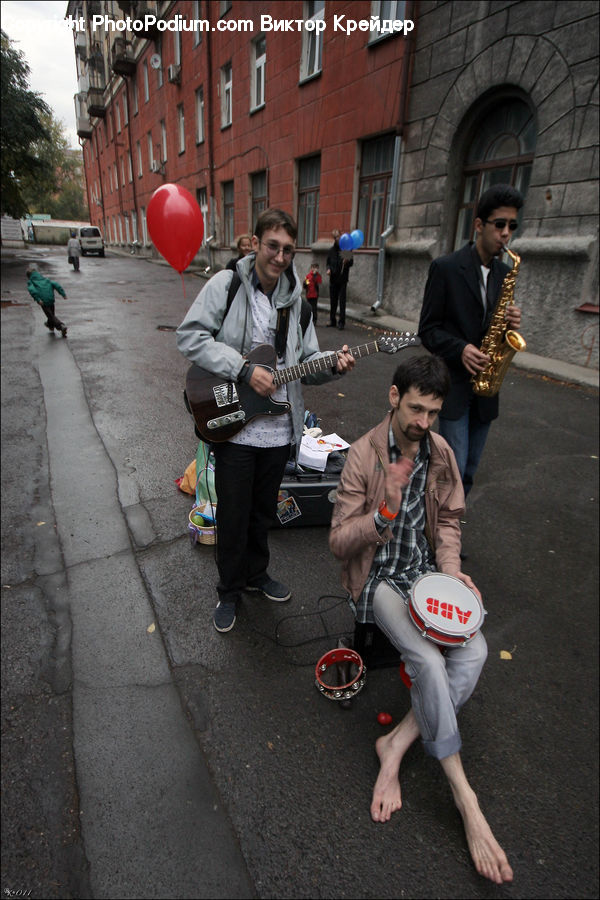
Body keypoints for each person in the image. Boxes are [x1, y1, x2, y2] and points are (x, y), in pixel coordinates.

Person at [329, 354, 513, 886]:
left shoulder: (439, 450)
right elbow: (338, 542)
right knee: (430, 663)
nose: (424, 422)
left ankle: (398, 744)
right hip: (380, 581)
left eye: (433, 411)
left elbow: (451, 517)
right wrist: (383, 513)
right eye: (415, 409)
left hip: (426, 574)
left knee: (475, 650)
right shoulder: (363, 456)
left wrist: (453, 575)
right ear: (393, 397)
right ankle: (465, 797)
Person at [177, 208, 355, 633]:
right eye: (272, 246)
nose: (279, 256)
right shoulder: (228, 285)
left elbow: (307, 362)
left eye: (288, 250)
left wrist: (333, 365)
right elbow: (191, 336)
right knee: (233, 515)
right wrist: (242, 369)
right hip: (235, 423)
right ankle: (229, 591)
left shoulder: (297, 304)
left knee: (262, 513)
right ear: (256, 243)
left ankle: (257, 576)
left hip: (278, 430)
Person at [418, 183, 524, 496]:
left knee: (469, 471)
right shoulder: (446, 268)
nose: (506, 233)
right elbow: (428, 329)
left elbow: (494, 330)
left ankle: (450, 531)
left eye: (512, 226)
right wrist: (461, 348)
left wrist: (509, 326)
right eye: (500, 224)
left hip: (487, 390)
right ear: (479, 225)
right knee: (453, 469)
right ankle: (439, 539)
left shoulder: (506, 272)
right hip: (455, 386)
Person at [26, 267, 68, 337]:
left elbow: (32, 290)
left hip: (43, 301)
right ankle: (50, 325)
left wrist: (38, 299)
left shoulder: (31, 282)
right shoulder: (46, 279)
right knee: (51, 314)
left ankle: (61, 326)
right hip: (51, 299)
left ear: (29, 276)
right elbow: (56, 285)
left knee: (50, 315)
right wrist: (63, 294)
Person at [326, 229, 353, 329]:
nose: (337, 238)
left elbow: (351, 263)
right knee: (333, 301)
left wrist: (347, 261)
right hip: (333, 279)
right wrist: (328, 269)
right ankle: (332, 320)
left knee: (342, 302)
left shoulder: (346, 249)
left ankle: (341, 322)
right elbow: (328, 263)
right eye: (335, 237)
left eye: (338, 236)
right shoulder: (331, 250)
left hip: (342, 280)